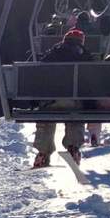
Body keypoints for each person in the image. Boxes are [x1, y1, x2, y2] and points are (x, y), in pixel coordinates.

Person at [32, 28, 90, 168]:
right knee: (75, 118)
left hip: (50, 101)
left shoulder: (51, 54)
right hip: (74, 102)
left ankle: (43, 152)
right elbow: (91, 82)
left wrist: (34, 101)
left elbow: (37, 76)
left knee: (46, 119)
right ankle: (73, 146)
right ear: (81, 42)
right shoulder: (85, 57)